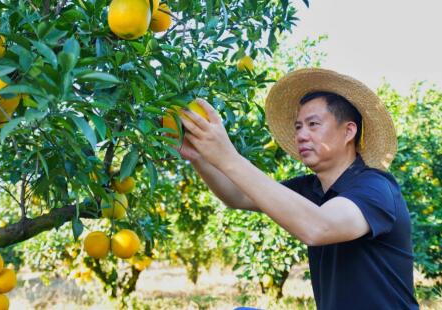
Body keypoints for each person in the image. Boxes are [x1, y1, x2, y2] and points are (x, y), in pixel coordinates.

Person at [177, 68, 419, 309]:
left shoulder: (375, 187)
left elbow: (318, 227)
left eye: (313, 124)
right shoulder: (310, 189)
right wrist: (198, 157)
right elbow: (238, 195)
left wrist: (228, 157)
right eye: (298, 127)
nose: (301, 135)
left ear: (348, 131)